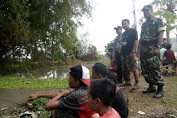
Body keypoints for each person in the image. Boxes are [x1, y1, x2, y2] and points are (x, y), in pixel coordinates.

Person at [28, 65, 95, 118]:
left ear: (76, 83)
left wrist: (62, 93)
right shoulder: (86, 88)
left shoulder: (77, 94)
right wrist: (39, 95)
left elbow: (48, 106)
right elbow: (59, 95)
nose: (68, 80)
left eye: (70, 78)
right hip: (90, 114)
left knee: (56, 112)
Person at [137, 5, 165, 98]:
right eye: (144, 11)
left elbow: (161, 33)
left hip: (153, 47)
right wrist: (138, 49)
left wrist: (158, 47)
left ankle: (160, 89)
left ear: (152, 10)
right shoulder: (144, 24)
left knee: (155, 67)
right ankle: (151, 86)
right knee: (146, 68)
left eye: (147, 11)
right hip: (144, 48)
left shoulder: (158, 21)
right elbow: (141, 37)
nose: (145, 13)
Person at [121, 19, 140, 88]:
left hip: (131, 52)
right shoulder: (123, 34)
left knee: (134, 67)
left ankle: (137, 83)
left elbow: (136, 41)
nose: (124, 25)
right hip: (124, 53)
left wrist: (133, 51)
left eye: (125, 23)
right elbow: (123, 43)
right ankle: (128, 82)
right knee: (126, 68)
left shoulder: (133, 31)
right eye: (122, 24)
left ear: (129, 23)